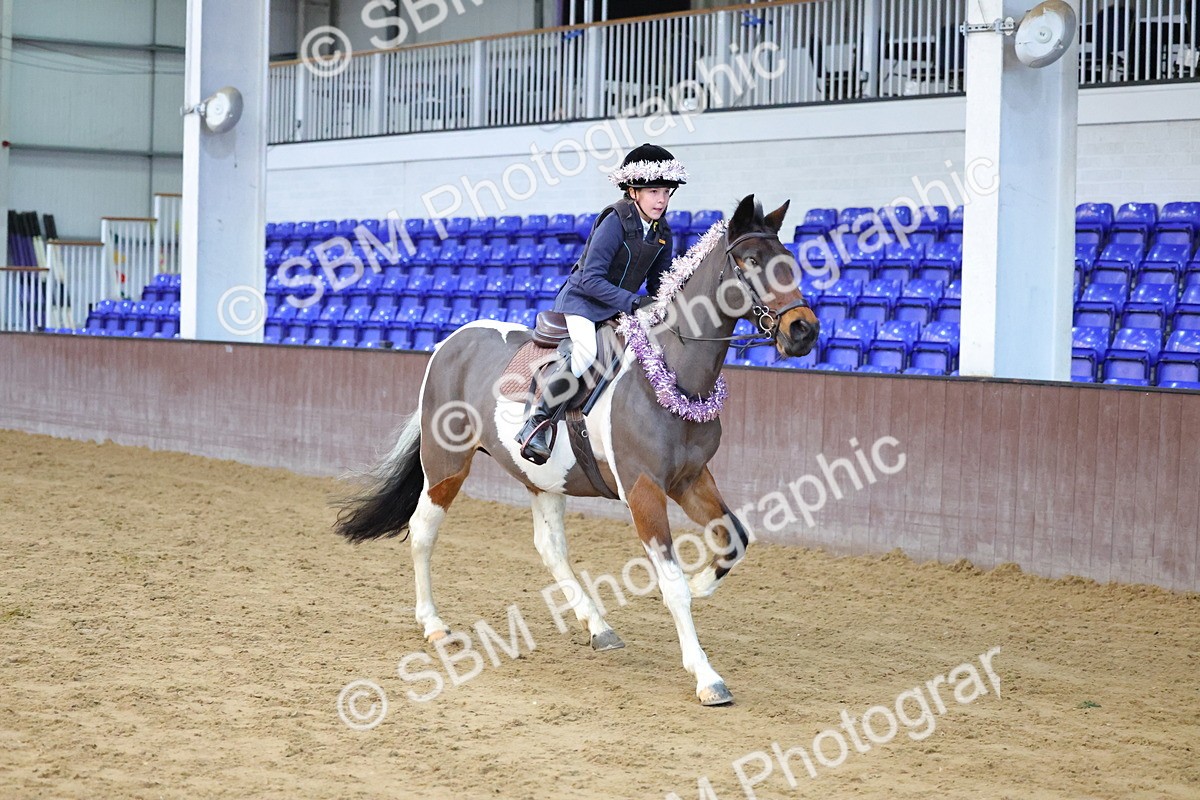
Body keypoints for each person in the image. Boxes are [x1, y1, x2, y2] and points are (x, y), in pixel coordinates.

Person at [516, 143, 688, 464]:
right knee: (586, 354)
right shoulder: (614, 221)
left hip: (620, 307)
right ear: (633, 191)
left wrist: (668, 308)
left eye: (666, 191)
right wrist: (634, 303)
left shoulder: (663, 231)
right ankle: (537, 423)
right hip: (583, 302)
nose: (661, 199)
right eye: (653, 191)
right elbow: (590, 279)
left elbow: (658, 284)